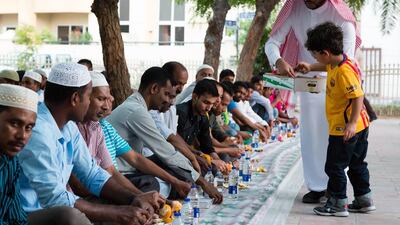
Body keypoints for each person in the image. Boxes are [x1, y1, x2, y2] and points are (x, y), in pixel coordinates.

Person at [18, 63, 162, 225]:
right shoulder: (39, 130)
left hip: (56, 209)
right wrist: (117, 213)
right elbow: (54, 198)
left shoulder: (69, 127)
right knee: (71, 217)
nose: (89, 103)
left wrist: (133, 198)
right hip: (28, 215)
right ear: (75, 99)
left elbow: (92, 174)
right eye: (89, 96)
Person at [265, 0, 362, 203]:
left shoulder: (342, 17)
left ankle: (335, 188)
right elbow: (272, 43)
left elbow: (347, 59)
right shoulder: (295, 8)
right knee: (310, 135)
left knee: (335, 137)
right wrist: (279, 61)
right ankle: (317, 186)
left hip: (337, 82)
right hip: (307, 81)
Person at [108, 67, 222, 204]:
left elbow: (159, 151)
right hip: (121, 173)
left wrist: (192, 165)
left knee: (179, 174)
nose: (171, 101)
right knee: (155, 183)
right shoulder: (136, 111)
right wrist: (202, 182)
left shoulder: (140, 108)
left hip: (134, 166)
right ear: (154, 89)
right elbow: (166, 151)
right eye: (167, 95)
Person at [297, 22, 374, 217]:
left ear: (325, 52)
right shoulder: (340, 62)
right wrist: (310, 66)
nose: (314, 58)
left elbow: (357, 97)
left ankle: (338, 203)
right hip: (360, 126)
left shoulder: (343, 72)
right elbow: (325, 65)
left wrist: (349, 124)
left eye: (315, 55)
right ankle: (364, 199)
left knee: (334, 166)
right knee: (357, 164)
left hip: (345, 128)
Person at [0, 84, 95, 225]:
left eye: (29, 127)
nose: (22, 136)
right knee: (69, 217)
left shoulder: (11, 161)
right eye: (14, 123)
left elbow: (14, 216)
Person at [73, 71, 143, 197]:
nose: (106, 106)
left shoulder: (96, 127)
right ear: (82, 98)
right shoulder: (69, 128)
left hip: (95, 190)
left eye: (108, 99)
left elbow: (110, 170)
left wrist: (140, 196)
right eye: (100, 99)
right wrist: (128, 198)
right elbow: (79, 187)